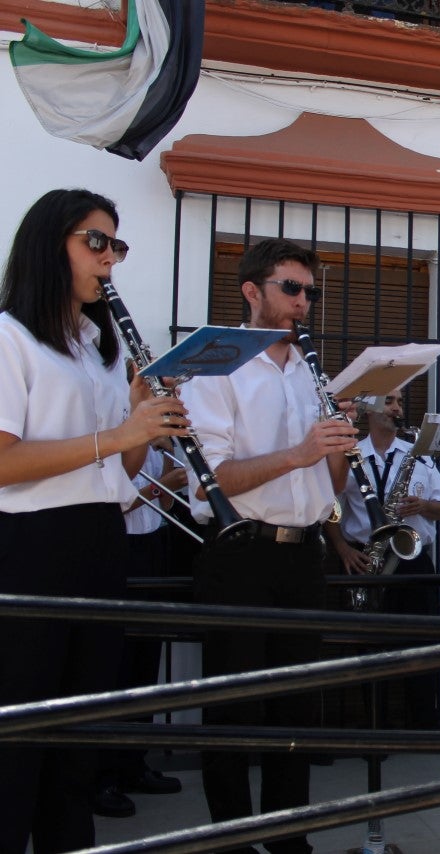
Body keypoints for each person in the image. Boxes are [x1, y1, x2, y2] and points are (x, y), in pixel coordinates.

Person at [0, 188, 190, 853]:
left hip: (98, 538)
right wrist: (116, 436)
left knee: (81, 730)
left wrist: (142, 417)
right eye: (96, 241)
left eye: (116, 245)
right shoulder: (9, 338)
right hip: (31, 545)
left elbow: (123, 469)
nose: (110, 258)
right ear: (51, 245)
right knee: (21, 733)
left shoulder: (94, 344)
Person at [182, 237, 358, 854]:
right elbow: (214, 477)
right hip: (240, 551)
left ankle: (290, 840)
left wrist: (338, 450)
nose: (303, 302)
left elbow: (331, 485)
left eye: (311, 291)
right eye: (291, 288)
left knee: (297, 710)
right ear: (252, 292)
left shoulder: (313, 372)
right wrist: (303, 451)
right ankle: (230, 842)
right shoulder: (216, 367)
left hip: (303, 550)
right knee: (231, 709)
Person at [327, 387, 440, 726]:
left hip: (413, 563)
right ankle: (374, 732)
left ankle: (425, 728)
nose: (397, 407)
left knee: (422, 647)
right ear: (368, 411)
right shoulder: (350, 455)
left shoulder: (419, 455)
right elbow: (328, 508)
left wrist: (423, 506)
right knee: (370, 652)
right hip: (366, 561)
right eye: (390, 400)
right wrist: (341, 548)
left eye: (400, 401)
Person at [95, 438, 187, 819]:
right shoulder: (123, 432)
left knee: (145, 661)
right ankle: (102, 776)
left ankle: (134, 763)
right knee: (115, 664)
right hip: (122, 544)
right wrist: (158, 484)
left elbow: (165, 500)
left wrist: (170, 470)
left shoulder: (159, 442)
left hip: (153, 540)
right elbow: (117, 498)